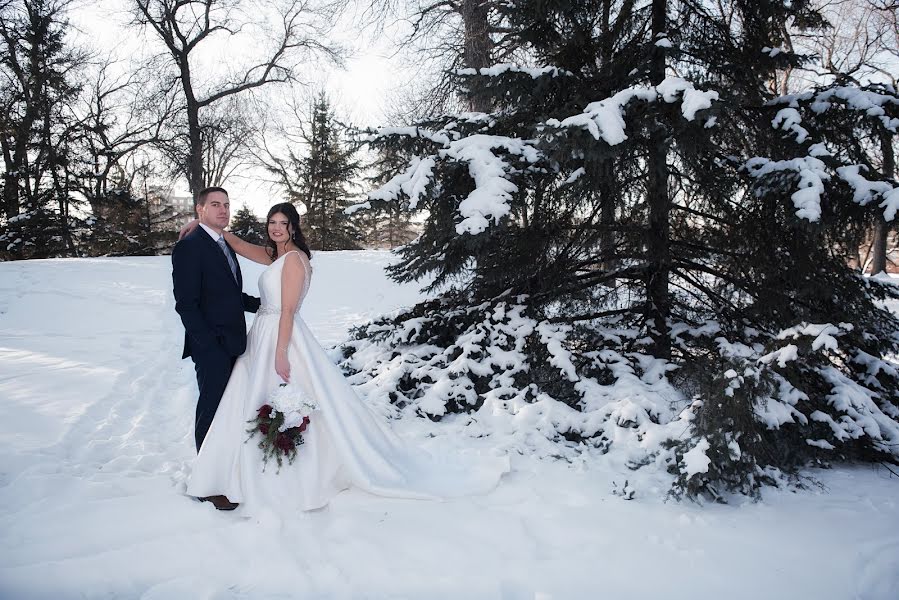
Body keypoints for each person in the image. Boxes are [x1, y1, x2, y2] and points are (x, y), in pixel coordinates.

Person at [182, 202, 509, 515]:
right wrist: (205, 225)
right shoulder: (275, 254)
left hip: (280, 337)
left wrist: (281, 353)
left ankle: (294, 473)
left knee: (284, 395)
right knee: (247, 399)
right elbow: (239, 244)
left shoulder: (294, 260)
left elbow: (287, 311)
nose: (277, 228)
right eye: (273, 223)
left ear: (294, 227)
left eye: (284, 223)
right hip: (262, 335)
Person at [172, 186, 260, 511]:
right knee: (210, 411)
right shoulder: (190, 247)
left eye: (226, 204)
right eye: (215, 204)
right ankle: (208, 484)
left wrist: (264, 305)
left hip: (234, 342)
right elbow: (186, 305)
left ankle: (224, 473)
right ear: (200, 210)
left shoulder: (223, 243)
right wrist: (207, 345)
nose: (223, 210)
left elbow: (228, 294)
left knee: (226, 412)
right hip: (211, 348)